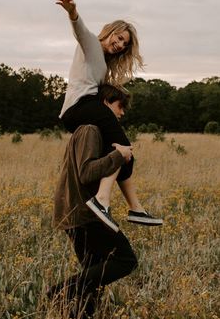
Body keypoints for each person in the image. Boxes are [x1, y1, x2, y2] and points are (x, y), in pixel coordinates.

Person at [56, 0, 163, 231]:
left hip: (84, 108)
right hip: (79, 107)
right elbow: (79, 29)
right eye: (120, 38)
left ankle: (135, 208)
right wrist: (72, 11)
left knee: (124, 156)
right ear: (111, 31)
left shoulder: (102, 63)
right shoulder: (92, 42)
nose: (121, 45)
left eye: (125, 44)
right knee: (123, 146)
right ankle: (102, 200)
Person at [52, 96, 138, 318]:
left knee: (93, 275)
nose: (122, 113)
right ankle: (59, 292)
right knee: (125, 260)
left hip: (76, 211)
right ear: (106, 103)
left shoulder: (88, 130)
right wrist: (118, 156)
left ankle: (78, 313)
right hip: (83, 212)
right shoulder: (90, 129)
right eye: (120, 107)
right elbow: (86, 172)